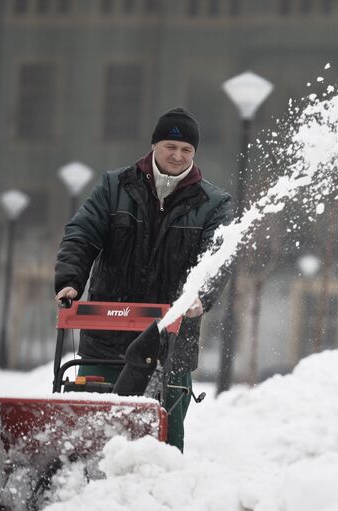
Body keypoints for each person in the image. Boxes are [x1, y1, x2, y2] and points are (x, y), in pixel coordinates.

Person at [54, 107, 233, 452]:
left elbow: (218, 258)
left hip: (172, 340)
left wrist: (201, 296)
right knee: (93, 422)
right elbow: (82, 234)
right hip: (106, 335)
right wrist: (70, 280)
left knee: (165, 433)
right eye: (170, 146)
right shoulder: (114, 187)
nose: (178, 156)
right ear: (154, 145)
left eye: (187, 150)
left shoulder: (214, 203)